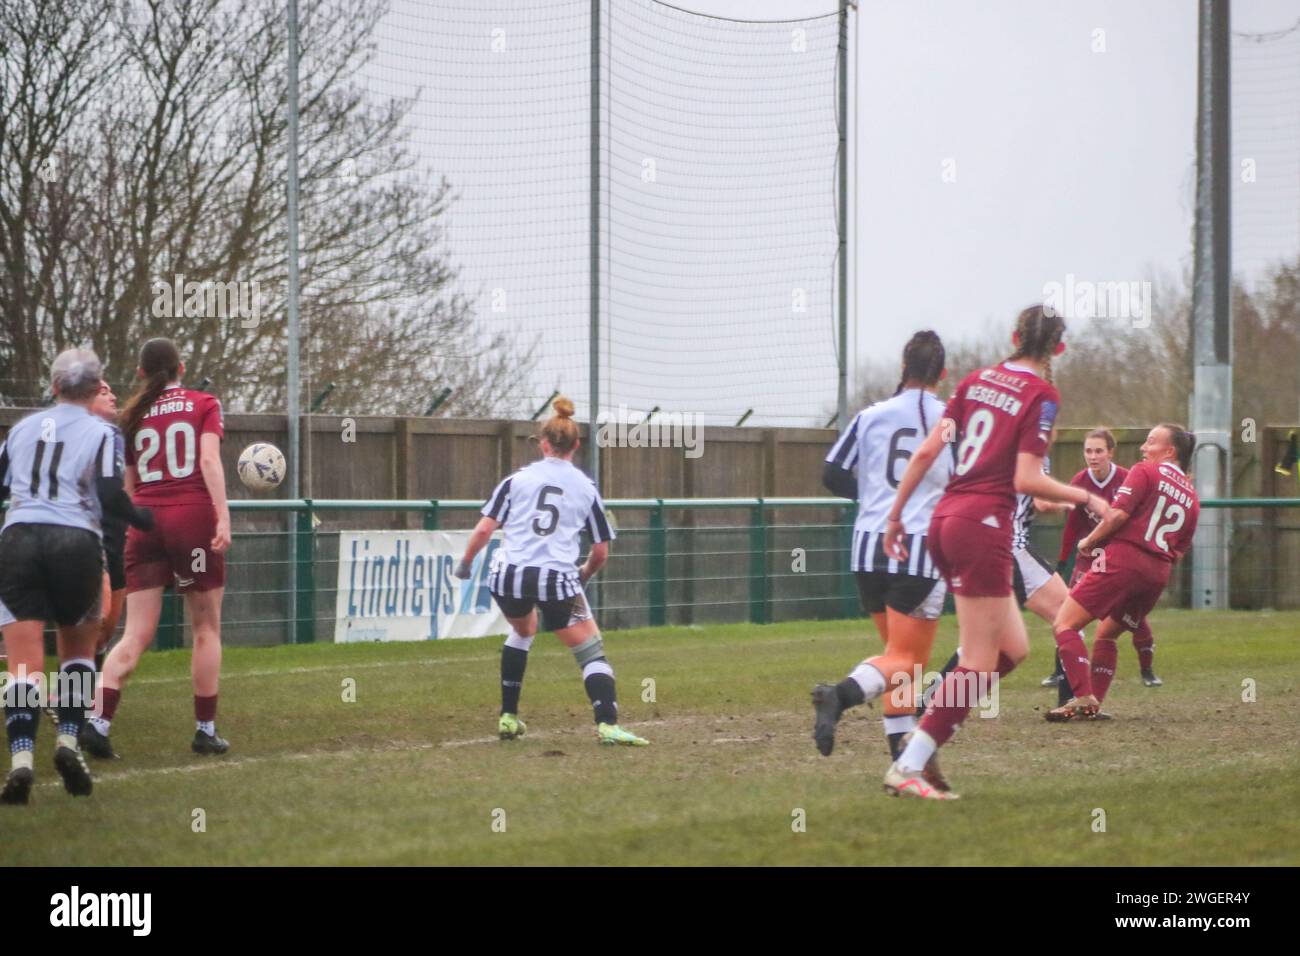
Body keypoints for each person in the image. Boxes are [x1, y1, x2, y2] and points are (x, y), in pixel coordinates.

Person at [881, 305, 1108, 799]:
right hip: (982, 525)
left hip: (946, 519)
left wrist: (896, 515)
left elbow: (926, 452)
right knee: (982, 659)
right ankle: (911, 760)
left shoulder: (974, 380)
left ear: (1012, 336)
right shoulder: (1043, 395)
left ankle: (930, 731)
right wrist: (1086, 496)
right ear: (1059, 350)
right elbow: (1026, 478)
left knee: (1013, 650)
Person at [0, 349, 153, 804]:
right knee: (78, 651)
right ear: (95, 388)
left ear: (53, 386)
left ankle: (21, 760)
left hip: (19, 538)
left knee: (23, 662)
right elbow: (109, 492)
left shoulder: (22, 429)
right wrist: (145, 518)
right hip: (75, 541)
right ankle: (67, 741)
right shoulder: (103, 432)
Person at [454, 396, 648, 747]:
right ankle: (607, 724)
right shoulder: (586, 489)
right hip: (557, 579)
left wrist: (466, 563)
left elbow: (484, 530)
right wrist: (584, 575)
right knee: (590, 650)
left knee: (524, 629)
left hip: (507, 576)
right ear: (576, 445)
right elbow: (600, 551)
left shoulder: (517, 480)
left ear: (543, 444)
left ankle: (509, 717)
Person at [810, 331, 953, 790]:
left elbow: (832, 473)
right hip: (918, 549)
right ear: (943, 373)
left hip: (868, 547)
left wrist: (872, 494)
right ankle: (840, 695)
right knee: (908, 662)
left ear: (903, 367)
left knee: (897, 660)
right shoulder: (953, 420)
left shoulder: (870, 416)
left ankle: (902, 768)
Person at [85, 339, 231, 758]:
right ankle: (205, 730)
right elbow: (207, 462)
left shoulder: (132, 416)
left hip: (145, 521)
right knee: (205, 627)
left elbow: (129, 487)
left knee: (134, 633)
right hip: (191, 515)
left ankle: (98, 722)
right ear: (181, 367)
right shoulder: (204, 403)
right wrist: (222, 515)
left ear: (141, 373)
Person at [1047, 425, 1199, 721]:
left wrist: (1089, 542)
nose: (1143, 447)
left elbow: (1117, 515)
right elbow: (1179, 552)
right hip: (1158, 573)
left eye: (1151, 442)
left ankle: (1081, 695)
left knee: (1064, 623)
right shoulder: (1192, 497)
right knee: (1106, 635)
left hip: (1125, 558)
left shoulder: (1145, 471)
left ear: (1170, 452)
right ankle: (1093, 707)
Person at [1048, 428, 1162, 689]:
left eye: (1099, 450)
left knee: (1131, 614)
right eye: (1088, 451)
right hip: (1088, 556)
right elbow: (1072, 525)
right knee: (1068, 610)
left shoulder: (1126, 478)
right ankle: (1060, 671)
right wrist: (1063, 561)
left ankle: (1147, 669)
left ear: (1111, 452)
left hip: (1119, 556)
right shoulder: (1080, 480)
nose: (1093, 456)